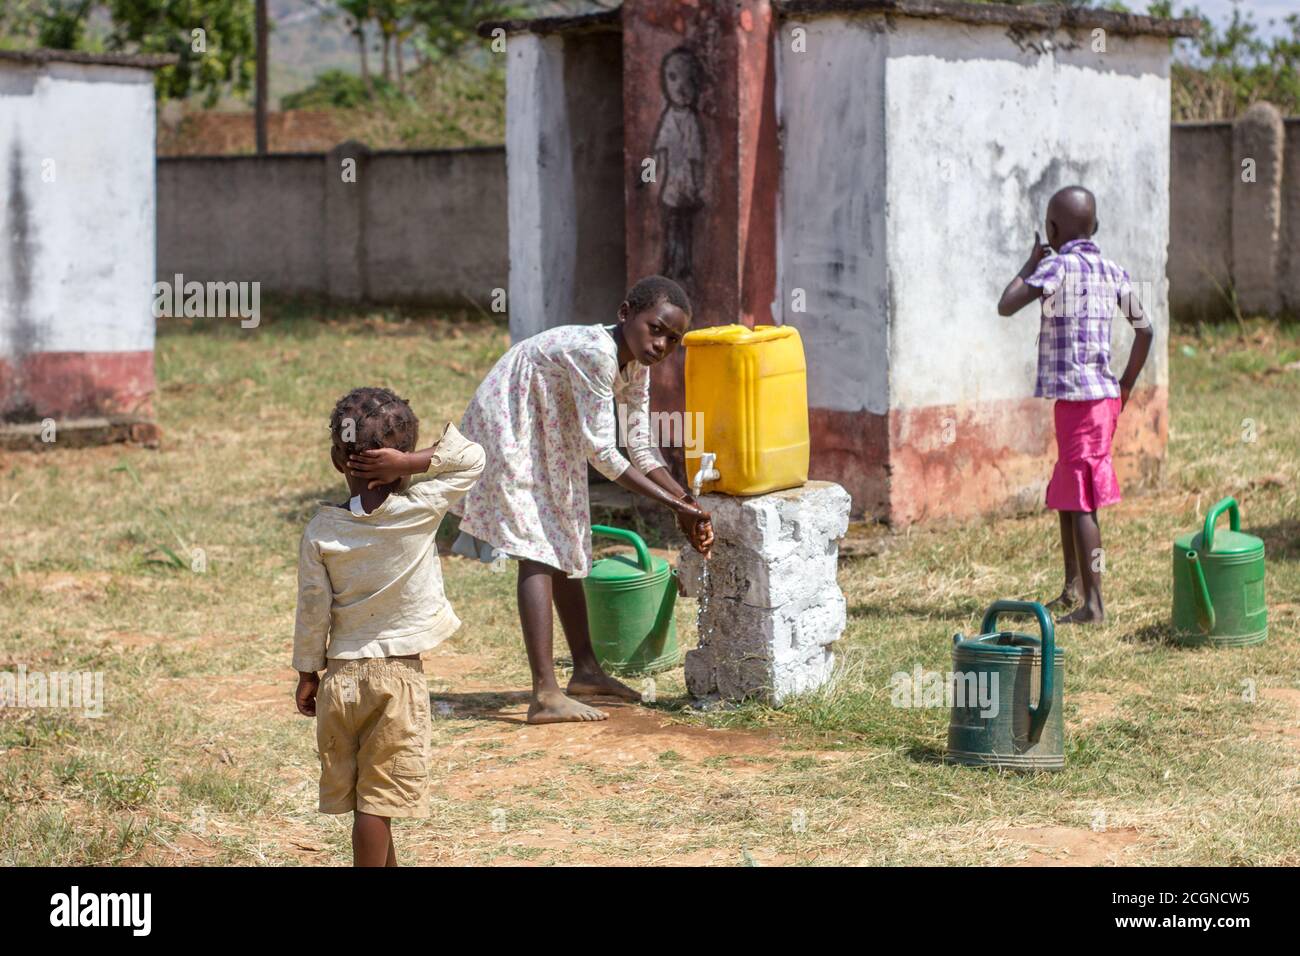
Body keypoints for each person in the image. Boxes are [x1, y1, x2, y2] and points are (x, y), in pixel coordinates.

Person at [349, 276, 714, 723]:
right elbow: (603, 454)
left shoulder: (637, 365)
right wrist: (676, 506)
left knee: (564, 537)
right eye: (656, 329)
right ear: (625, 314)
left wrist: (686, 501)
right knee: (535, 546)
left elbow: (639, 443)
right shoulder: (597, 353)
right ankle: (545, 695)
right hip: (512, 411)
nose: (661, 344)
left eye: (673, 339)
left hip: (550, 423)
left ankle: (586, 671)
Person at [293, 387, 485, 865]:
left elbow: (312, 608)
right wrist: (411, 463)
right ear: (399, 457)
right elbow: (472, 457)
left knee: (369, 800)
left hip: (340, 679)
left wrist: (306, 673)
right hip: (396, 679)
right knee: (377, 805)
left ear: (338, 460)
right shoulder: (419, 507)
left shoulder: (322, 529)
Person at [997, 186, 1154, 624]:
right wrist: (1123, 386)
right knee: (1070, 489)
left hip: (1079, 403)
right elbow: (1145, 331)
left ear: (1051, 229)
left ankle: (1095, 605)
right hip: (1101, 399)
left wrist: (1030, 263)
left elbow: (1007, 305)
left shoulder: (1053, 268)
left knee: (1082, 499)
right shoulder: (1112, 270)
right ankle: (1072, 589)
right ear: (1096, 227)